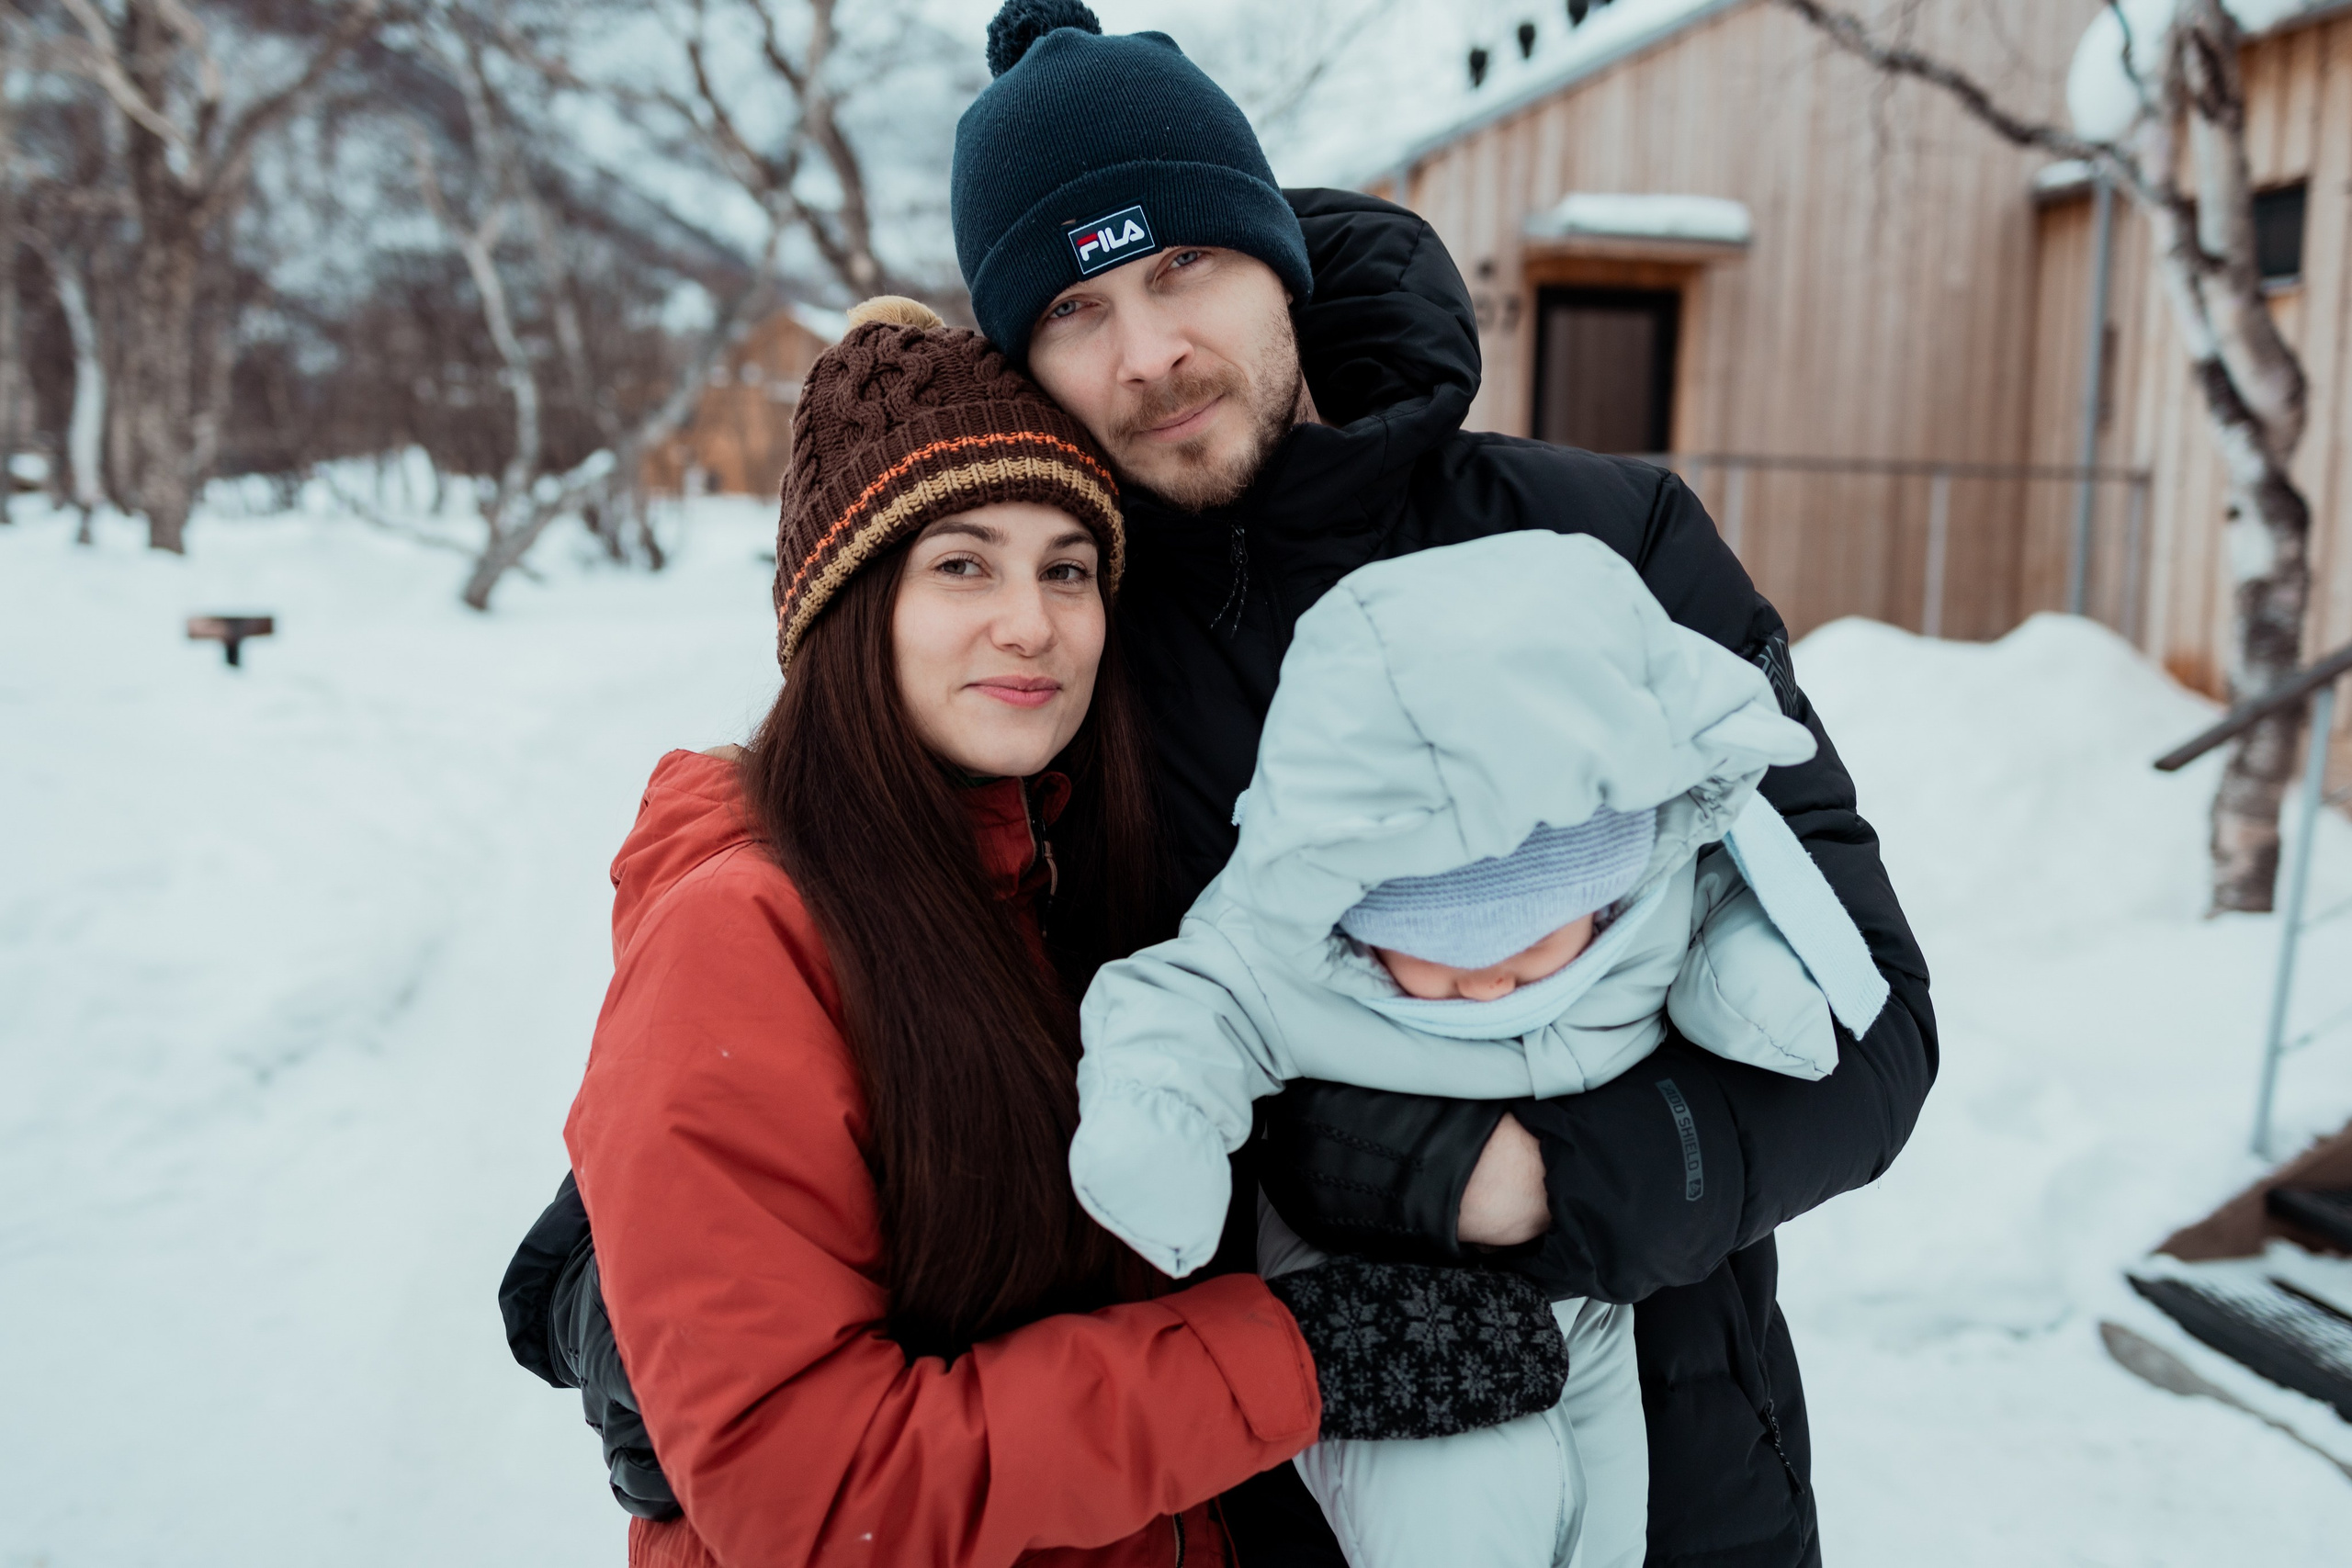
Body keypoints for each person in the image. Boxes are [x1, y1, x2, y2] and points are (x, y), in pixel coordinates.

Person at [523, 5, 1938, 1563]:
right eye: (1074, 308)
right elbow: (874, 928)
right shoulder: (1068, 647)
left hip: (1681, 1465)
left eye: (1180, 266)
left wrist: (1508, 1182)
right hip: (1251, 1500)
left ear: (1273, 247)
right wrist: (601, 1267)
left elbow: (1866, 1029)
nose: (1148, 353)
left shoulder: (1598, 543)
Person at [529, 296, 1576, 1568]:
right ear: (851, 608)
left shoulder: (1054, 877)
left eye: (1066, 567)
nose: (1030, 621)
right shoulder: (747, 927)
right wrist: (1287, 1357)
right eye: (962, 562)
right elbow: (818, 1495)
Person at [1069, 531, 1893, 1568]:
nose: (1492, 980)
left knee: (1607, 1520)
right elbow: (1185, 1007)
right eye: (1442, 956)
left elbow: (1737, 908)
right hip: (1377, 1292)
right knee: (1451, 1503)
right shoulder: (1297, 936)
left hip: (1598, 1292)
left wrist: (1750, 990)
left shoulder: (1646, 889)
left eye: (1529, 939)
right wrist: (1157, 1131)